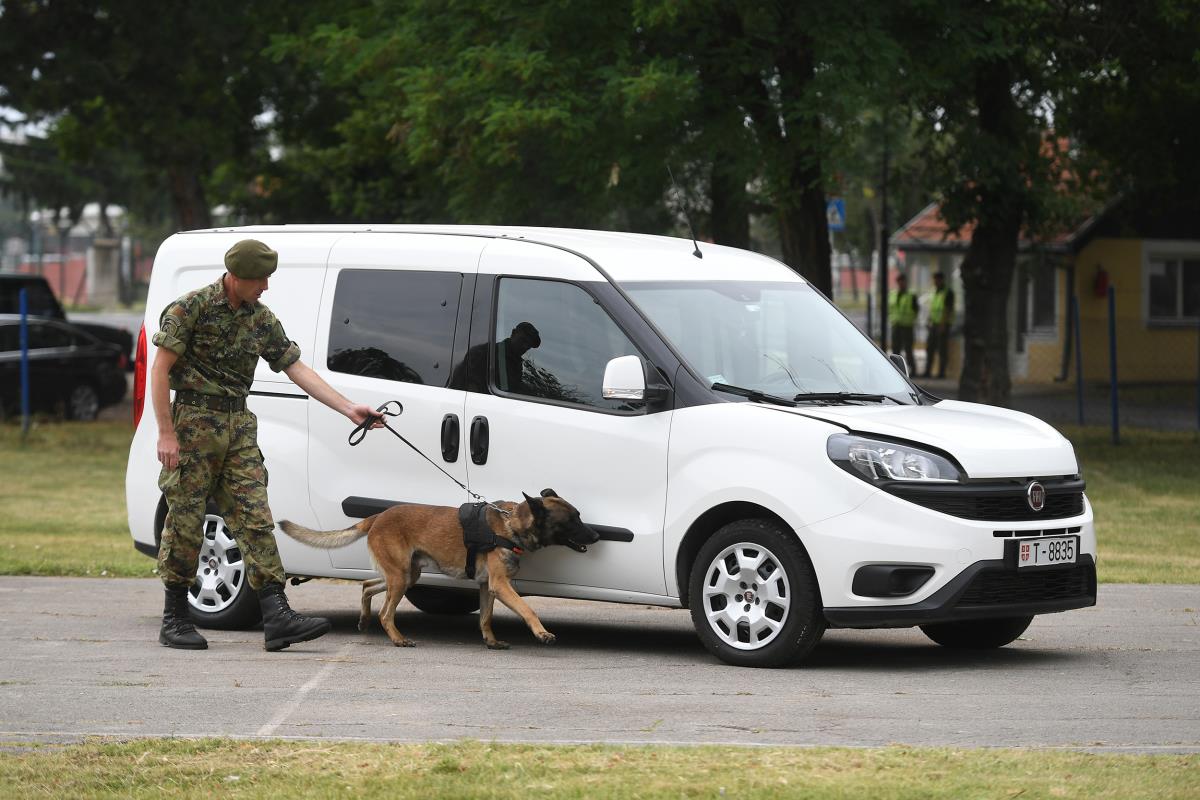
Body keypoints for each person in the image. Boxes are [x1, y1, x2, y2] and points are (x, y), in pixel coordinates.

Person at [151, 239, 381, 652]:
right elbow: (160, 371)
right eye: (260, 280)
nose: (266, 287)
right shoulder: (190, 308)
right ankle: (175, 617)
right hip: (193, 425)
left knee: (255, 517)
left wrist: (349, 408)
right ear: (236, 277)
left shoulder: (261, 320)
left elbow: (296, 367)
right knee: (185, 520)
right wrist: (166, 433)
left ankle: (277, 615)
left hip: (238, 427)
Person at [452, 321, 541, 394]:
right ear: (513, 333)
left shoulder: (516, 363)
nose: (524, 347)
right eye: (523, 340)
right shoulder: (484, 353)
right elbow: (470, 391)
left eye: (528, 345)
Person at [922, 271, 955, 378]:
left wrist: (943, 324)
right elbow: (932, 309)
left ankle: (941, 373)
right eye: (934, 280)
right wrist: (929, 321)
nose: (935, 282)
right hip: (933, 324)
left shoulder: (948, 292)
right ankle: (928, 371)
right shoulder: (934, 292)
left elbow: (947, 310)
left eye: (937, 279)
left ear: (941, 280)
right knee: (930, 348)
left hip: (942, 325)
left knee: (942, 350)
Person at [887, 272, 918, 374]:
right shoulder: (893, 294)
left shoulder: (911, 295)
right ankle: (896, 370)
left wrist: (911, 319)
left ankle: (912, 369)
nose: (901, 284)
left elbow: (916, 310)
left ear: (905, 282)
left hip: (907, 326)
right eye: (899, 282)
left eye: (902, 282)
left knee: (908, 349)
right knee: (895, 348)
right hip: (896, 325)